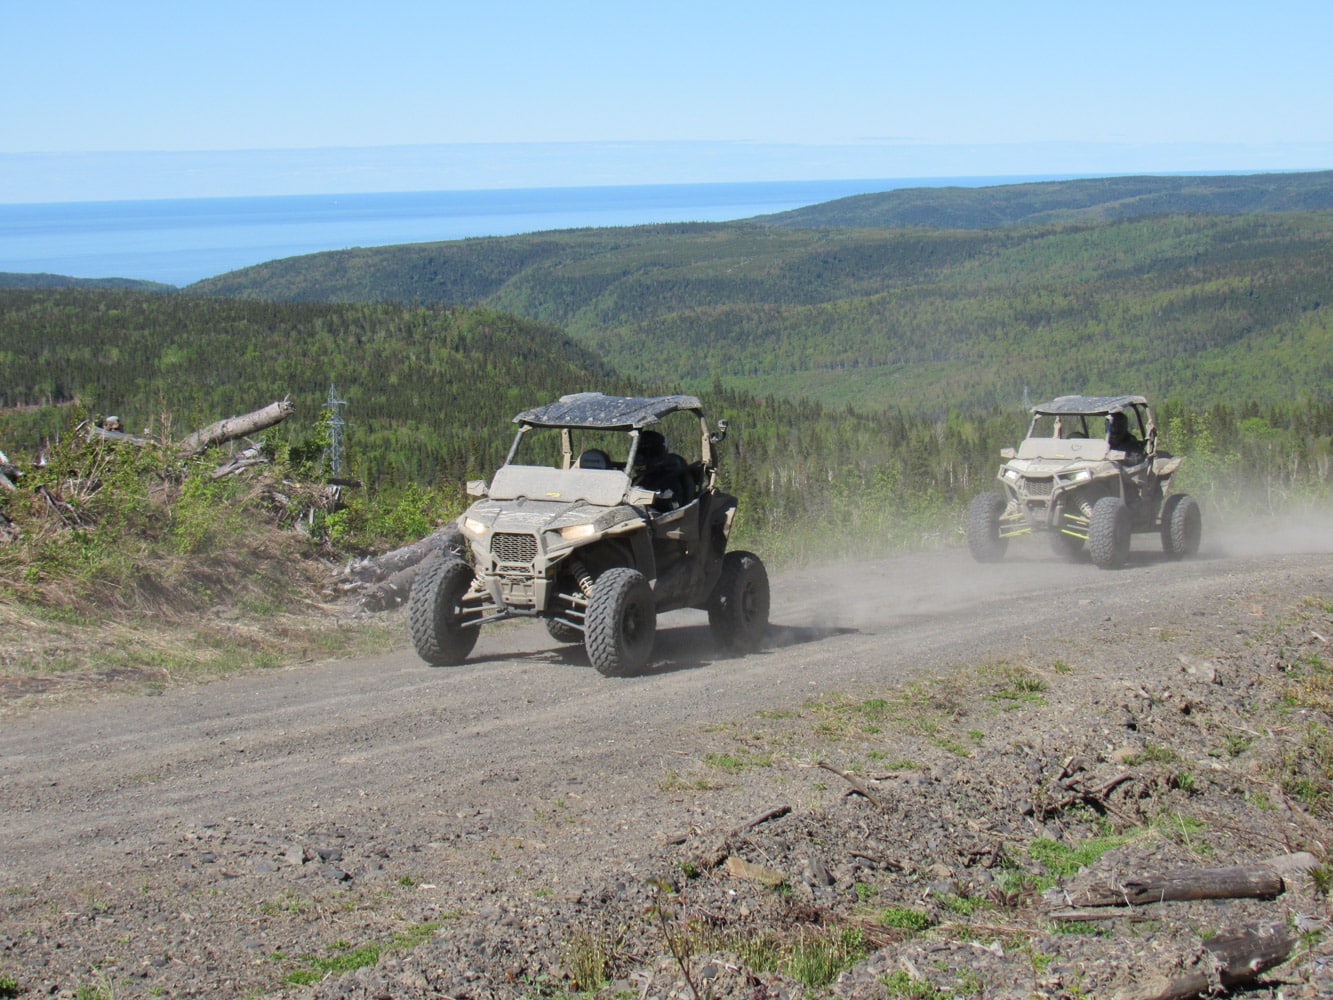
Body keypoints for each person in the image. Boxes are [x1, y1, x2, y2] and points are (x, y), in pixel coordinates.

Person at [631, 430, 692, 509]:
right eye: (637, 453)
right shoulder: (641, 479)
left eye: (642, 453)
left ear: (654, 454)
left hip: (665, 519)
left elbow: (672, 508)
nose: (638, 458)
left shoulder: (669, 480)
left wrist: (653, 498)